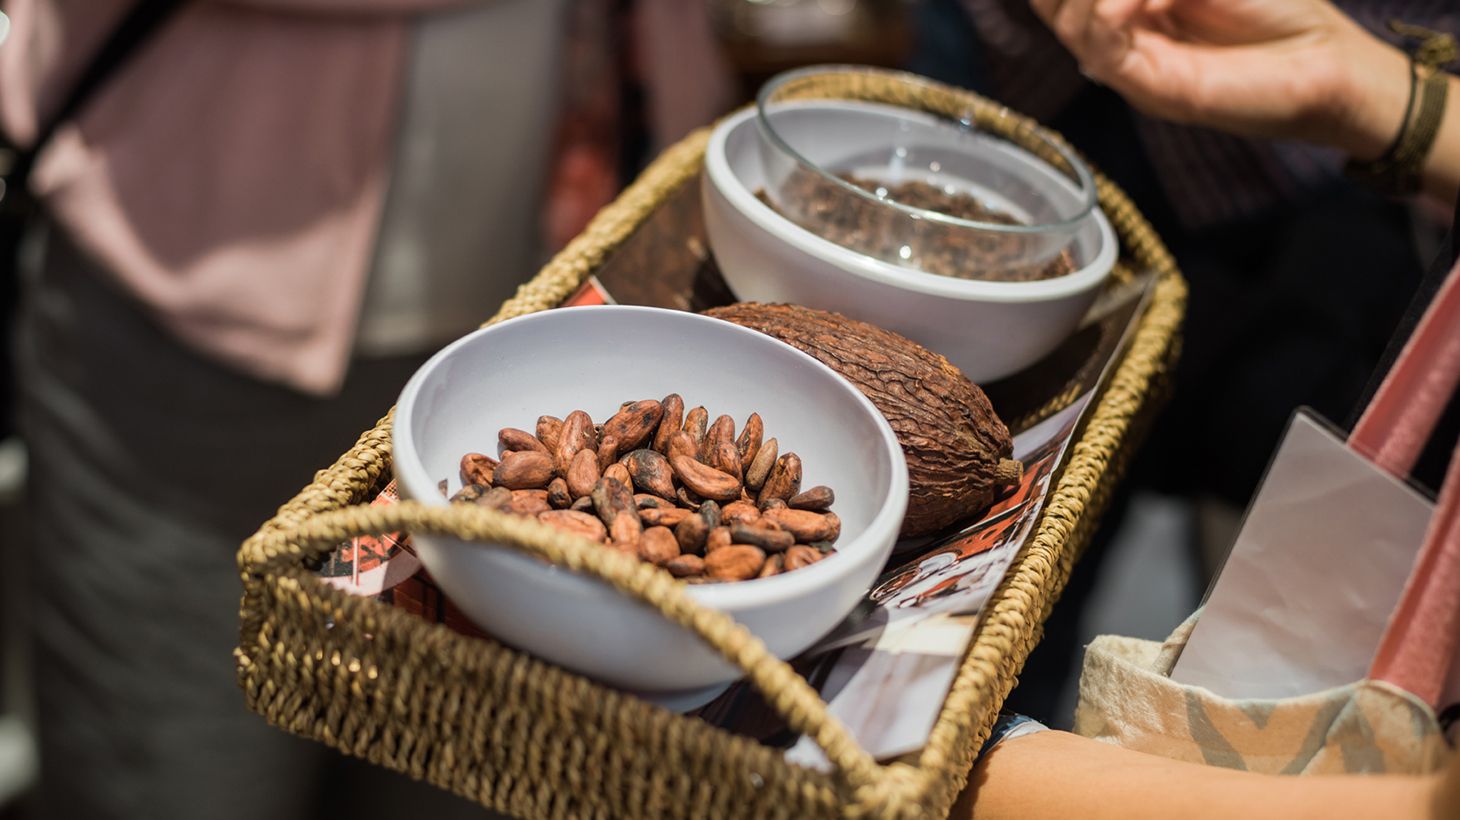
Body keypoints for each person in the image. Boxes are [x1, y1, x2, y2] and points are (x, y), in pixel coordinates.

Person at [953, 0, 1458, 814]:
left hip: (1308, 211)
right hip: (1153, 118)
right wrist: (1377, 92)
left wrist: (958, 768)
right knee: (1045, 565)